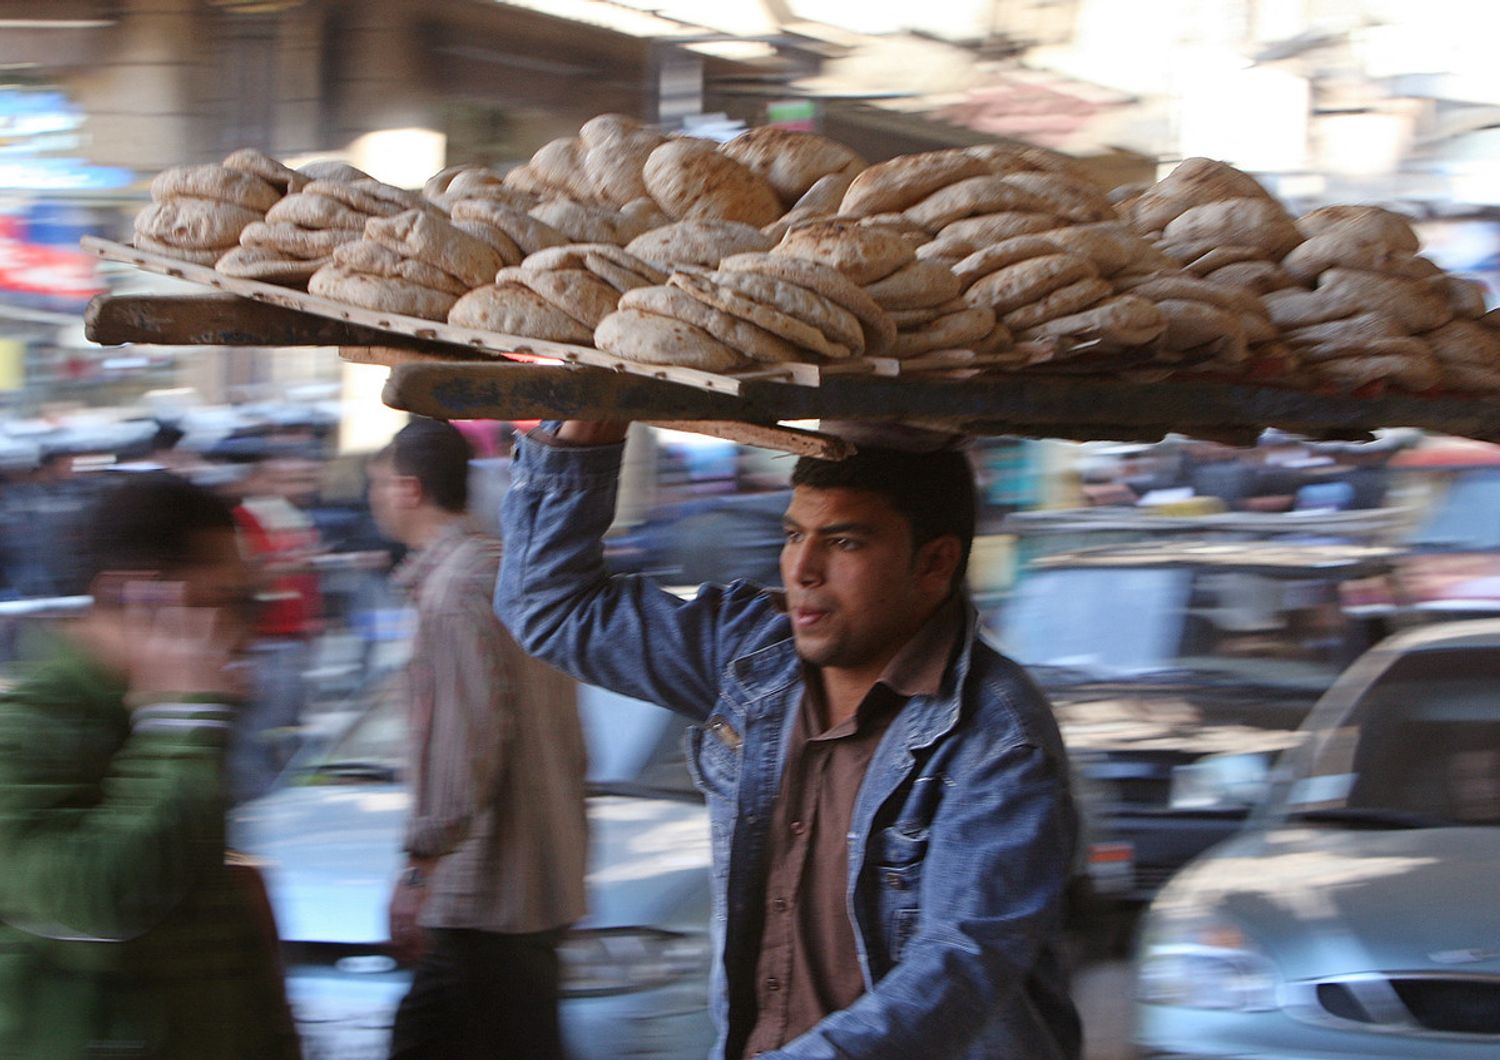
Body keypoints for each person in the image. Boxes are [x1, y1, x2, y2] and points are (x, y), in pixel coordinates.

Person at [496, 421, 1082, 1060]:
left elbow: (957, 967)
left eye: (845, 542)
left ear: (935, 562)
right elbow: (549, 607)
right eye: (793, 535)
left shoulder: (996, 738)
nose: (803, 570)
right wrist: (587, 434)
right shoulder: (758, 657)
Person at [0, 473, 298, 1059]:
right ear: (140, 597)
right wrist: (179, 728)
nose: (244, 633)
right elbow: (95, 902)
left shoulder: (164, 717)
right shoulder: (28, 729)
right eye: (223, 602)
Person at [368, 418, 587, 1060]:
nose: (375, 500)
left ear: (409, 490)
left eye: (378, 485)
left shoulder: (457, 589)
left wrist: (420, 865)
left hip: (487, 893)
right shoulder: (504, 574)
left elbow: (466, 743)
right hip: (525, 887)